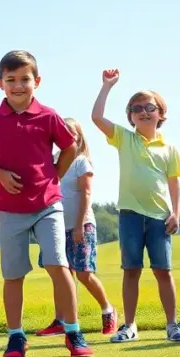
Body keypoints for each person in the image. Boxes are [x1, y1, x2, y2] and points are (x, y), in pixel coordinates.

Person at [0, 51, 92, 357]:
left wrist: (54, 175)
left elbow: (69, 146)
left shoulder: (49, 116)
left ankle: (73, 331)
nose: (18, 86)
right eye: (11, 80)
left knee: (58, 264)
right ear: (0, 83)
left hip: (47, 204)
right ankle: (16, 337)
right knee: (13, 274)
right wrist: (1, 175)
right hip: (9, 207)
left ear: (37, 81)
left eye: (25, 79)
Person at [91, 68, 180, 343]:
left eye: (150, 107)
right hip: (130, 215)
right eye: (137, 109)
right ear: (130, 116)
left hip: (160, 217)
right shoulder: (125, 138)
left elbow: (174, 184)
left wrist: (177, 213)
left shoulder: (169, 148)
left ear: (160, 113)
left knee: (163, 271)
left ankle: (172, 325)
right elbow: (97, 117)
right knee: (131, 270)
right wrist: (107, 86)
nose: (144, 112)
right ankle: (130, 325)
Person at [35, 118, 118, 337]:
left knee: (83, 274)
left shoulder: (81, 162)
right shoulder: (53, 161)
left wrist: (80, 225)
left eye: (71, 133)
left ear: (79, 137)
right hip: (55, 226)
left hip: (81, 226)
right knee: (60, 274)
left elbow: (86, 193)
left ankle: (108, 310)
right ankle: (61, 320)